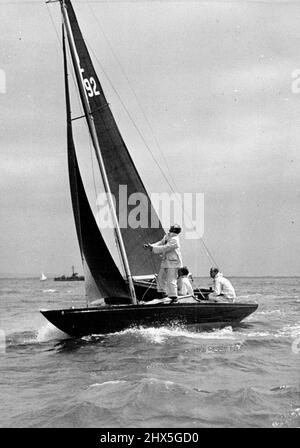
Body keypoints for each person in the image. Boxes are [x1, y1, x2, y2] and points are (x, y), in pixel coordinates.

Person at [144, 224, 183, 301]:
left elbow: (165, 247)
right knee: (161, 277)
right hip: (166, 261)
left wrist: (153, 248)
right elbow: (160, 243)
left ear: (175, 230)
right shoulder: (167, 236)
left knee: (171, 279)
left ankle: (173, 296)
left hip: (173, 263)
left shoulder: (175, 239)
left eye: (172, 227)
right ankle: (162, 293)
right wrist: (151, 246)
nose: (170, 228)